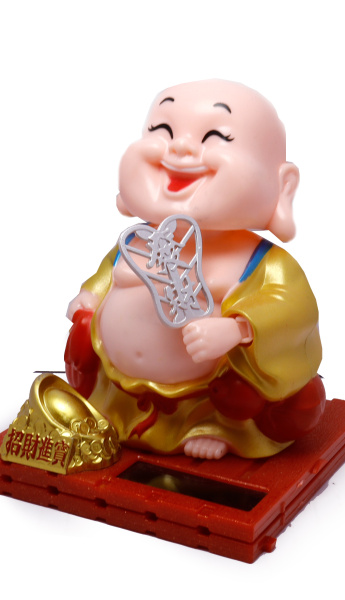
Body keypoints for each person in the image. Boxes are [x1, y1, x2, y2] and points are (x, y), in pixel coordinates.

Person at [65, 80, 325, 460]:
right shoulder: (137, 242)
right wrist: (89, 297)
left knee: (237, 393)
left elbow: (292, 308)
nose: (181, 148)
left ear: (281, 185)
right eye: (162, 129)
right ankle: (111, 414)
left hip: (206, 398)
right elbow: (110, 274)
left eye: (215, 136)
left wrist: (238, 329)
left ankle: (217, 429)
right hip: (121, 389)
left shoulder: (262, 261)